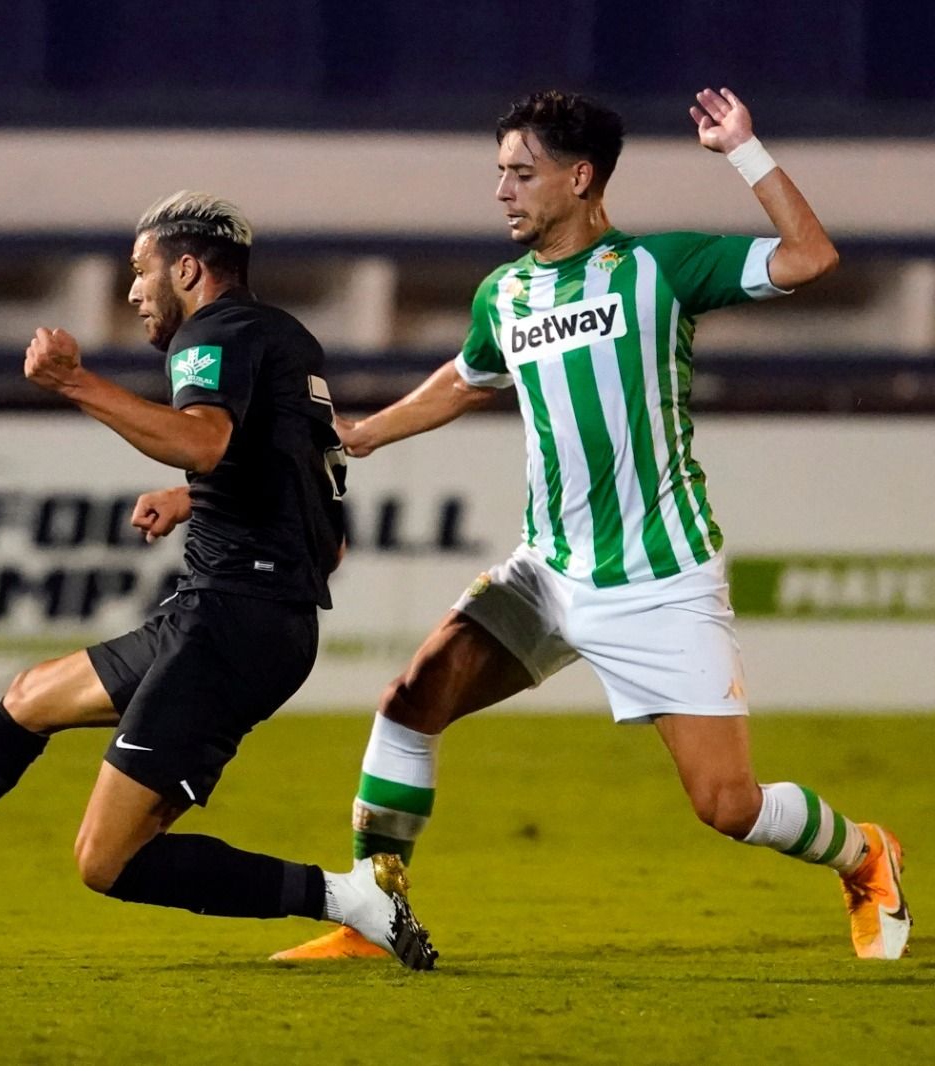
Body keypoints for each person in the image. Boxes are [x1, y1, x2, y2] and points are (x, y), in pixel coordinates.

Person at [274, 88, 910, 963]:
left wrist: (744, 151)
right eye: (500, 171)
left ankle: (866, 854)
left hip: (660, 578)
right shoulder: (504, 294)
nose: (502, 191)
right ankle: (373, 918)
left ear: (580, 179)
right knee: (411, 703)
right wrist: (367, 432)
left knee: (728, 805)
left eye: (521, 173)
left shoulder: (659, 268)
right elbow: (467, 376)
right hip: (546, 571)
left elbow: (812, 256)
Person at [0, 190, 439, 970]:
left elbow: (203, 443)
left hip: (230, 626)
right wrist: (192, 500)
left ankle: (350, 900)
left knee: (106, 861)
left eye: (141, 271)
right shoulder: (285, 340)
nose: (133, 291)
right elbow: (303, 501)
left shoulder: (211, 335)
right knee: (30, 697)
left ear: (187, 269)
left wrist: (75, 382)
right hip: (239, 615)